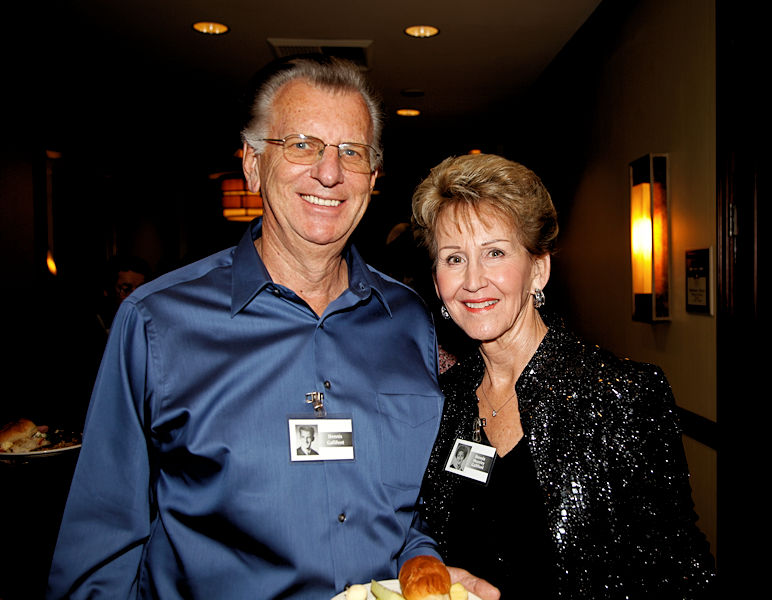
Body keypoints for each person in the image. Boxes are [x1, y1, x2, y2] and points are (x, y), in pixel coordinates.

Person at [47, 56, 497, 600]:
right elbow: (99, 556)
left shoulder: (407, 319)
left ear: (373, 178)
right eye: (303, 145)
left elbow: (410, 507)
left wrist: (423, 562)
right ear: (253, 164)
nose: (329, 172)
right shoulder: (156, 323)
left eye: (351, 152)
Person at [411, 154, 717, 598]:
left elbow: (681, 575)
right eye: (454, 258)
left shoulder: (621, 397)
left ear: (539, 268)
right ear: (437, 281)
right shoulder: (441, 401)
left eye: (495, 253)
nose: (473, 281)